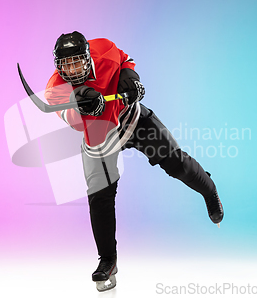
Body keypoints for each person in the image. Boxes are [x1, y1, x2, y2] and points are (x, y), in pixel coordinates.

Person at [44, 31, 223, 292]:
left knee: (176, 164)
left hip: (133, 120)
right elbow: (71, 120)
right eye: (66, 64)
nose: (72, 70)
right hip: (99, 135)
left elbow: (125, 61)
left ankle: (209, 189)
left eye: (76, 61)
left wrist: (130, 78)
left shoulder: (103, 48)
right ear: (58, 66)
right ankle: (108, 261)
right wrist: (82, 107)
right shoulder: (55, 89)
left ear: (88, 56)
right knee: (100, 195)